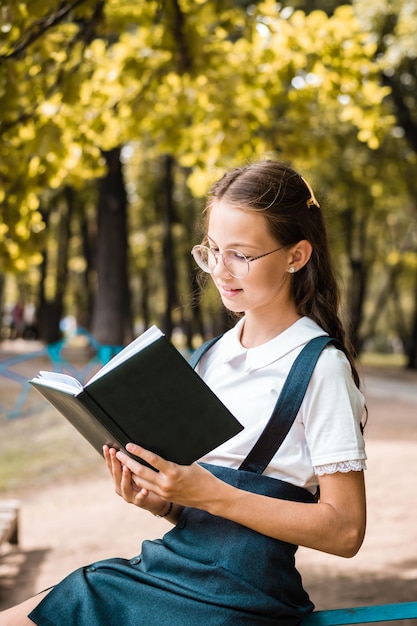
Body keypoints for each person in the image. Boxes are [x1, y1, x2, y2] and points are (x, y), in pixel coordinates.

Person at [2, 160, 367, 625]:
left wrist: (211, 495)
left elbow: (346, 530)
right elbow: (209, 506)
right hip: (171, 571)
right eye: (212, 250)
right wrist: (166, 501)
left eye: (241, 254)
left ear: (296, 256)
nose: (220, 269)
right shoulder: (211, 356)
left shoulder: (320, 368)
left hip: (237, 598)